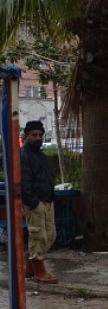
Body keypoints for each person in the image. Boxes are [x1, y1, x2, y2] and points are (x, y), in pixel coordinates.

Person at [21, 120, 58, 283]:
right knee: (38, 236)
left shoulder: (40, 155)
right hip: (35, 203)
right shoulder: (23, 156)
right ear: (26, 136)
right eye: (33, 135)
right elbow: (24, 182)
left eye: (40, 135)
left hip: (47, 201)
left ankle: (29, 267)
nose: (37, 138)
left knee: (50, 235)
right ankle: (39, 272)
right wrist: (34, 203)